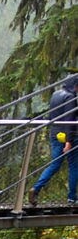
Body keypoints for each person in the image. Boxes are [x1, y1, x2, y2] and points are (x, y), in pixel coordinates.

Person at [29, 73, 78, 207]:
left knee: (55, 164)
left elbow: (54, 115)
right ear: (75, 85)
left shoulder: (56, 94)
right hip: (69, 136)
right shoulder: (70, 97)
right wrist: (68, 142)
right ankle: (72, 198)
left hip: (55, 133)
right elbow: (69, 120)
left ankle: (36, 188)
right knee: (74, 165)